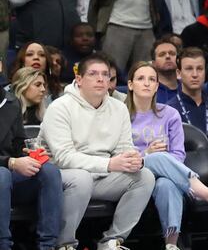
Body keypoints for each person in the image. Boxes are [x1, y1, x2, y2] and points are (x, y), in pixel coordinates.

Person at [40, 52, 155, 250]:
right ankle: (64, 244)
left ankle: (111, 241)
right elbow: (63, 157)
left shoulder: (118, 108)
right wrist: (109, 164)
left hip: (101, 175)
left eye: (105, 75)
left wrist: (132, 158)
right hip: (62, 175)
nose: (101, 79)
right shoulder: (60, 107)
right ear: (79, 79)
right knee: (81, 178)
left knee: (144, 177)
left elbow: (123, 147)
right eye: (93, 74)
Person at [127, 61, 208, 250]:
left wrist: (160, 163)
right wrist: (148, 154)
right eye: (140, 79)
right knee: (158, 157)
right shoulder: (120, 114)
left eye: (152, 79)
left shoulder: (170, 114)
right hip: (132, 173)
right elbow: (119, 154)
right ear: (130, 85)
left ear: (157, 86)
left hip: (164, 174)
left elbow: (178, 154)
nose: (146, 83)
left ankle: (172, 245)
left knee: (167, 185)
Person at [0, 62, 62, 250]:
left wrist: (28, 154)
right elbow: (10, 161)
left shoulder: (11, 102)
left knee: (48, 170)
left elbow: (18, 143)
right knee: (1, 175)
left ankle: (48, 245)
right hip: (4, 172)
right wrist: (10, 162)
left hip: (10, 175)